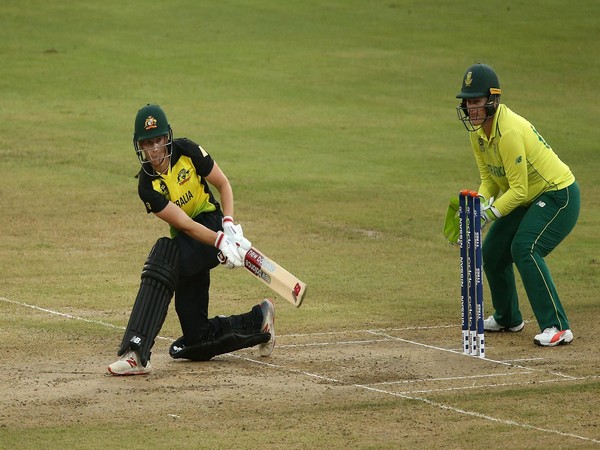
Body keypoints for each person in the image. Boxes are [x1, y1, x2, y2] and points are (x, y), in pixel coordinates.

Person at [108, 104, 275, 375]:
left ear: (167, 139)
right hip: (194, 239)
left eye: (158, 141)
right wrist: (219, 242)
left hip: (210, 222)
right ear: (139, 146)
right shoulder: (147, 186)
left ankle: (136, 352)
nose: (154, 150)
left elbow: (224, 185)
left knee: (164, 253)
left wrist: (229, 226)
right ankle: (259, 321)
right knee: (197, 340)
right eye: (147, 144)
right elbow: (184, 224)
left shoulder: (187, 150)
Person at [447, 63, 580, 347]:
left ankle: (557, 326)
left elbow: (518, 191)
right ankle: (508, 317)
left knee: (525, 248)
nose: (471, 109)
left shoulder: (509, 132)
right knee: (493, 251)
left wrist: (490, 213)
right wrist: (479, 207)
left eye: (477, 102)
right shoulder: (478, 132)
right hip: (530, 196)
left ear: (493, 100)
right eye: (468, 102)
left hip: (558, 195)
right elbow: (489, 179)